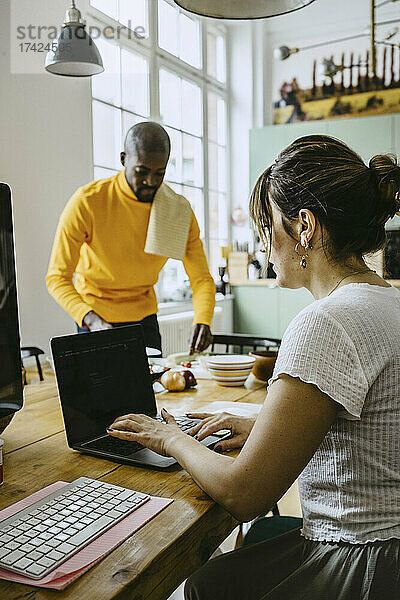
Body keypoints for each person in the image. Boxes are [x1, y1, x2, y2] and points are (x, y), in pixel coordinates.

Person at [107, 135, 400, 599]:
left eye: (268, 226)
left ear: (304, 226)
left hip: (363, 562)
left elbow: (245, 495)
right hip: (389, 550)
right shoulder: (388, 300)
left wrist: (170, 438)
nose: (264, 242)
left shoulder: (327, 322)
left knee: (203, 586)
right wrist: (262, 423)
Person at [46, 122, 215, 354]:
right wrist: (93, 321)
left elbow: (201, 278)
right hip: (94, 317)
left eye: (160, 173)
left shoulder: (178, 210)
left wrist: (203, 319)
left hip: (144, 320)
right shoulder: (87, 202)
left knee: (149, 390)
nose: (151, 182)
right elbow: (57, 278)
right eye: (142, 171)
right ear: (124, 159)